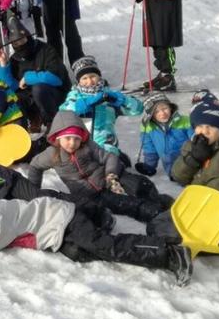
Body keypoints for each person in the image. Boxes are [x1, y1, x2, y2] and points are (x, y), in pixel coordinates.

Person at [0, 191, 193, 287]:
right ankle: (100, 219)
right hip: (56, 226)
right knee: (79, 254)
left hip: (61, 219)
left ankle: (169, 254)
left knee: (104, 246)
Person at [147, 94, 219, 259]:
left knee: (173, 237)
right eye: (200, 126)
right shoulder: (192, 146)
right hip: (197, 208)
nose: (204, 131)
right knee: (156, 225)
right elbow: (178, 176)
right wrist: (193, 158)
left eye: (211, 126)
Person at [27, 111, 169, 222]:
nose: (72, 143)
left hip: (108, 177)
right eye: (67, 138)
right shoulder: (51, 154)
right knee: (125, 203)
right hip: (90, 194)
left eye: (76, 138)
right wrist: (34, 190)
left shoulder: (87, 146)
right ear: (58, 138)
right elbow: (34, 166)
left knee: (139, 183)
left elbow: (109, 156)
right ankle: (155, 213)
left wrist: (111, 174)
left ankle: (157, 200)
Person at [0, 15, 69, 132]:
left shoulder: (46, 50)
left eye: (22, 39)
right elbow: (10, 87)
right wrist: (3, 63)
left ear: (29, 37)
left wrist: (28, 78)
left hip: (54, 96)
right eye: (16, 42)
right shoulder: (15, 59)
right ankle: (21, 130)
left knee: (39, 88)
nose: (20, 44)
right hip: (30, 100)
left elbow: (56, 78)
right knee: (13, 98)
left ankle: (52, 123)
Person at [59, 56, 143, 155]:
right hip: (79, 142)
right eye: (84, 78)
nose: (89, 81)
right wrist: (86, 103)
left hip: (106, 143)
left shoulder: (108, 95)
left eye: (92, 76)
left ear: (99, 76)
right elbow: (63, 111)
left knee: (110, 162)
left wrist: (120, 99)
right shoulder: (74, 96)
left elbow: (138, 109)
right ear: (79, 81)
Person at [135, 92, 192, 179]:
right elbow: (150, 149)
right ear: (151, 115)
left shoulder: (184, 121)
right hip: (171, 169)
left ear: (170, 107)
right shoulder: (149, 128)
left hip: (190, 163)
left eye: (164, 108)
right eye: (156, 111)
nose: (162, 113)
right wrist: (149, 166)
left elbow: (195, 139)